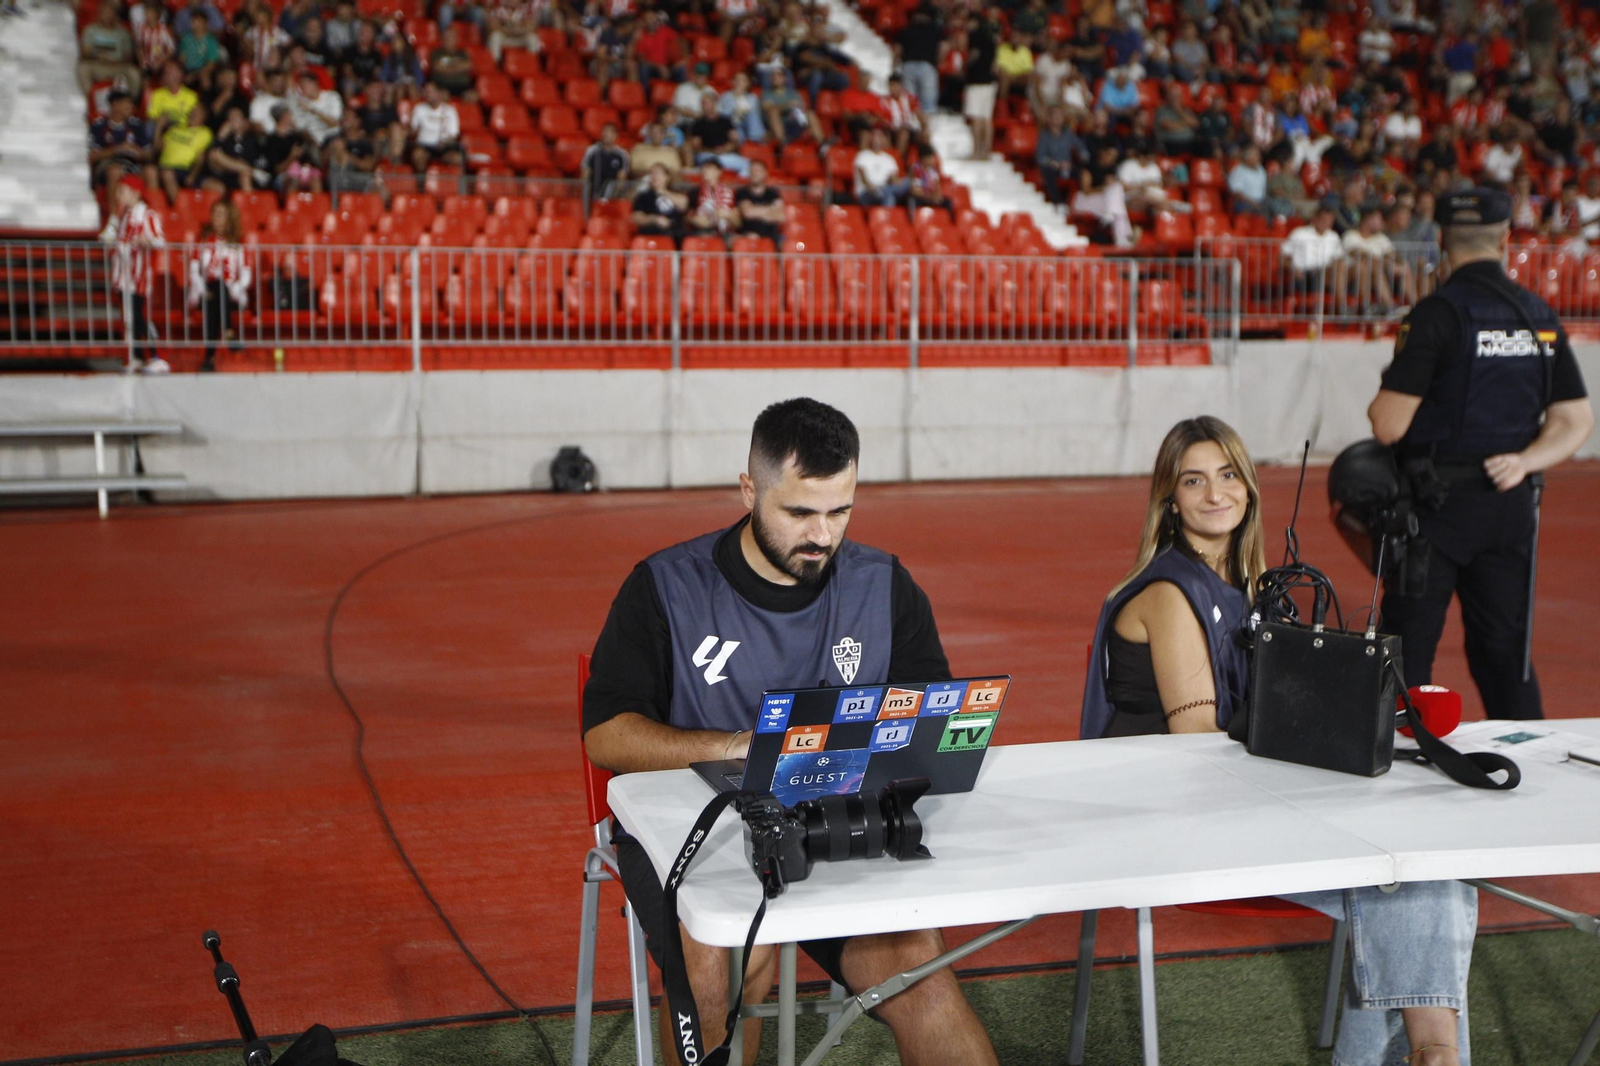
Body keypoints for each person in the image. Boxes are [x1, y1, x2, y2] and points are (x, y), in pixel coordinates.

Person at [584, 398, 1002, 1066]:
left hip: (834, 823)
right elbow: (605, 734)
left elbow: (928, 717)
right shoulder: (665, 587)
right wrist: (740, 748)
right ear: (749, 490)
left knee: (918, 972)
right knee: (722, 961)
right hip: (692, 826)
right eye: (800, 512)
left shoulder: (883, 585)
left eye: (840, 511)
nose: (823, 534)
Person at [1082, 415, 1479, 1066]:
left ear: (1250, 488)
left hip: (1231, 802)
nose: (1215, 494)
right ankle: (1435, 1055)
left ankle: (1428, 1056)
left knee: (1426, 872)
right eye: (1194, 480)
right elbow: (1195, 737)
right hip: (1165, 818)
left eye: (1228, 475)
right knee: (1415, 881)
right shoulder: (1166, 592)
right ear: (1169, 499)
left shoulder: (1249, 588)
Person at [1366, 188, 1593, 720]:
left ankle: (1392, 765)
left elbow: (1388, 424)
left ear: (1442, 240)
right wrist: (1527, 460)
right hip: (1509, 505)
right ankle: (1528, 764)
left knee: (1405, 657)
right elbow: (1575, 419)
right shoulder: (1538, 315)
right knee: (1504, 653)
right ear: (1507, 240)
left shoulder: (1435, 315)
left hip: (1433, 512)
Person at [99, 175, 168, 373]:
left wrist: (148, 240)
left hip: (138, 276)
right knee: (128, 318)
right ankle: (136, 356)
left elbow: (160, 240)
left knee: (140, 317)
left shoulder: (147, 215)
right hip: (122, 275)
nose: (118, 194)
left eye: (122, 190)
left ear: (136, 193)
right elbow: (107, 237)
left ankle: (157, 356)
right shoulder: (120, 216)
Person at [187, 199, 250, 373]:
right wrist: (202, 289)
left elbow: (246, 273)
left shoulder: (238, 242)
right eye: (214, 213)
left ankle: (209, 357)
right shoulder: (203, 240)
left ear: (229, 217)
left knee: (218, 294)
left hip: (232, 294)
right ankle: (229, 331)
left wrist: (235, 289)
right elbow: (194, 271)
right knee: (215, 292)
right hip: (205, 291)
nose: (216, 218)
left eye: (221, 214)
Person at [89, 90, 158, 191]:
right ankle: (113, 207)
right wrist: (118, 149)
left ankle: (152, 206)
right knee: (115, 171)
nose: (131, 107)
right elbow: (93, 156)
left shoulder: (136, 125)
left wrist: (139, 152)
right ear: (115, 104)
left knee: (151, 171)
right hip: (108, 164)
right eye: (128, 103)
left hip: (132, 164)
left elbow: (149, 154)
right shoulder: (99, 125)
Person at [79, 3, 142, 97]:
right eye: (104, 13)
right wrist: (97, 56)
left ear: (115, 16)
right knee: (82, 68)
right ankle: (91, 99)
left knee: (133, 73)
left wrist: (117, 60)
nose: (107, 16)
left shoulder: (123, 33)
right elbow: (84, 53)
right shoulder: (91, 30)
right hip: (98, 64)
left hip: (117, 66)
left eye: (110, 13)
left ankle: (130, 102)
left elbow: (129, 57)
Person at [157, 99, 213, 202]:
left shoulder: (205, 133)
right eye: (192, 112)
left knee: (217, 187)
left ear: (204, 117)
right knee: (167, 173)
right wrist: (159, 127)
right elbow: (158, 147)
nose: (193, 114)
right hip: (168, 167)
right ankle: (181, 211)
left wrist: (192, 175)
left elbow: (201, 158)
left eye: (197, 112)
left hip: (188, 169)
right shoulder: (174, 129)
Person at [409, 80, 463, 172]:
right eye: (426, 91)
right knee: (418, 155)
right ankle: (421, 183)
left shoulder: (449, 111)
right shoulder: (419, 108)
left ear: (439, 93)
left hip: (443, 147)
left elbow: (453, 134)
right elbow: (413, 129)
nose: (427, 94)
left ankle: (454, 185)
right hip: (424, 146)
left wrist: (445, 142)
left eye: (431, 91)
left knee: (458, 159)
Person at [631, 162, 688, 241]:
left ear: (666, 177)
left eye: (657, 173)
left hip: (675, 233)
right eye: (651, 173)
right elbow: (637, 218)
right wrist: (655, 219)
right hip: (652, 233)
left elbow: (683, 205)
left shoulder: (676, 193)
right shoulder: (643, 197)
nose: (654, 176)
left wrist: (663, 192)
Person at [854, 129, 910, 207]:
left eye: (879, 137)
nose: (876, 140)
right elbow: (864, 179)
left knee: (907, 182)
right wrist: (872, 187)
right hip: (867, 193)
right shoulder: (862, 155)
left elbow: (893, 178)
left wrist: (897, 182)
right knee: (889, 196)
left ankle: (882, 192)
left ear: (884, 140)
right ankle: (881, 192)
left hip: (884, 190)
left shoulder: (889, 159)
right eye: (874, 137)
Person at [734, 159, 784, 243]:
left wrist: (755, 210)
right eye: (752, 170)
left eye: (757, 170)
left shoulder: (773, 193)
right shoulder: (742, 192)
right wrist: (770, 209)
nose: (754, 173)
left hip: (771, 237)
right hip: (747, 235)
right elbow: (748, 213)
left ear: (765, 173)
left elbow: (781, 216)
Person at [580, 122, 630, 201]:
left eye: (610, 132)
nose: (607, 135)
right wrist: (586, 193)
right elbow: (585, 174)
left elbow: (621, 179)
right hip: (594, 193)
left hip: (612, 194)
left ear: (616, 136)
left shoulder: (622, 154)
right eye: (605, 132)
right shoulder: (592, 151)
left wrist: (614, 196)